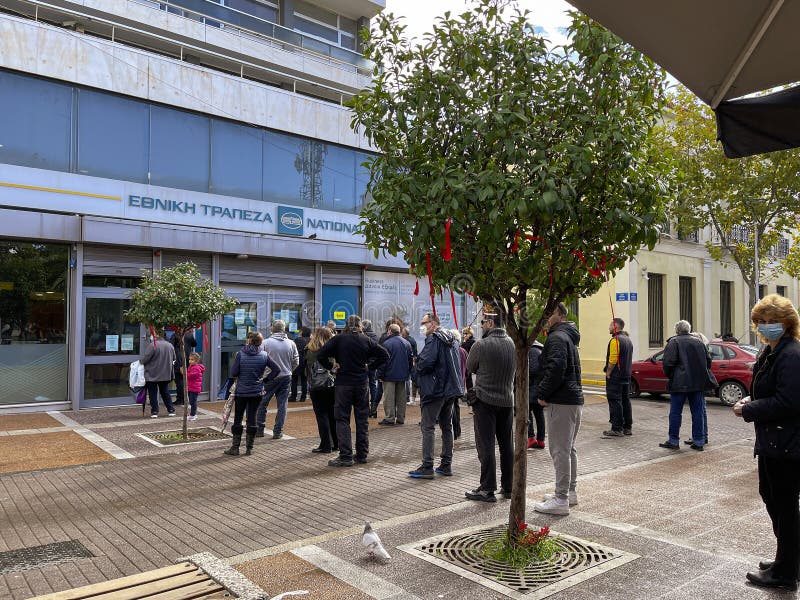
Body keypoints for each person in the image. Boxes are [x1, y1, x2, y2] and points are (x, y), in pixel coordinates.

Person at [734, 294, 800, 592]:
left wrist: (749, 409)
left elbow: (789, 401)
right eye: (762, 321)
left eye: (773, 321)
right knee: (772, 498)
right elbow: (768, 391)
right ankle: (786, 559)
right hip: (774, 441)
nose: (766, 325)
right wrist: (753, 399)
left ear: (787, 324)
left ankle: (785, 573)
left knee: (783, 505)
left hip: (786, 443)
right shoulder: (771, 351)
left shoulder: (791, 355)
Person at [317, 315, 389, 467]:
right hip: (362, 383)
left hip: (343, 383)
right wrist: (370, 367)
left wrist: (331, 367)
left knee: (342, 419)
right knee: (362, 420)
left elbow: (320, 354)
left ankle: (345, 456)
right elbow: (385, 355)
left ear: (347, 325)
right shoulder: (366, 340)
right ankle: (362, 454)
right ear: (360, 325)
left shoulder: (339, 339)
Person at [533, 302, 583, 515]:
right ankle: (568, 493)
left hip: (562, 401)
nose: (547, 317)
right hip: (572, 400)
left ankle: (561, 499)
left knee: (560, 450)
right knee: (568, 448)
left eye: (551, 313)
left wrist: (542, 394)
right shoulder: (568, 337)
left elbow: (555, 369)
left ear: (561, 315)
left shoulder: (556, 338)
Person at [464, 313, 515, 501]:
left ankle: (487, 488)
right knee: (506, 445)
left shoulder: (481, 345)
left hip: (485, 400)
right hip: (507, 400)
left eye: (483, 322)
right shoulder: (512, 344)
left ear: (491, 323)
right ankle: (508, 487)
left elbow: (470, 367)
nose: (481, 326)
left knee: (486, 446)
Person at [409, 313, 464, 479]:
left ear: (432, 323)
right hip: (449, 390)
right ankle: (446, 464)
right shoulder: (451, 338)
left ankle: (427, 466)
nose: (422, 326)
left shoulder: (434, 339)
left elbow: (425, 362)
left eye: (424, 323)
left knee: (428, 427)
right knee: (447, 427)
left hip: (435, 390)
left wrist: (415, 369)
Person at [658, 320, 716, 451]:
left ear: (677, 330)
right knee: (698, 412)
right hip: (697, 383)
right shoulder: (699, 342)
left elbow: (668, 363)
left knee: (675, 413)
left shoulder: (674, 342)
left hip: (679, 383)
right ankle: (699, 441)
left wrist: (671, 376)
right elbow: (708, 362)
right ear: (689, 329)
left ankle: (673, 440)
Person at [225, 331, 279, 456]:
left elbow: (234, 372)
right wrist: (265, 379)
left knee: (238, 418)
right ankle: (249, 448)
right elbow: (276, 369)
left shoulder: (240, 354)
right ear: (260, 341)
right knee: (252, 418)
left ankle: (235, 447)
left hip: (241, 392)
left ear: (248, 340)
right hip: (256, 391)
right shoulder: (264, 355)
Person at [256, 320, 299, 439]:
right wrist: (289, 370)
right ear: (283, 329)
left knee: (262, 403)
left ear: (272, 329)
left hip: (269, 377)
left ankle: (259, 429)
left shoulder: (265, 343)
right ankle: (278, 431)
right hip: (286, 376)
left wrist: (262, 374)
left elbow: (260, 360)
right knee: (282, 405)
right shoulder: (291, 343)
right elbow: (296, 361)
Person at [306, 326, 338, 454]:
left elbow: (308, 369)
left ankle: (325, 445)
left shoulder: (311, 350)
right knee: (332, 415)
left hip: (317, 386)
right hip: (332, 385)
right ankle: (336, 443)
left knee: (321, 415)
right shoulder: (334, 350)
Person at [602, 318, 634, 438]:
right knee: (625, 400)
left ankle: (617, 428)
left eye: (610, 325)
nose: (609, 327)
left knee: (615, 400)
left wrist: (608, 372)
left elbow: (613, 359)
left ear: (615, 326)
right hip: (626, 375)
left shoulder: (615, 340)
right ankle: (627, 427)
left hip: (616, 376)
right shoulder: (628, 340)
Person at [377, 323, 413, 426]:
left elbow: (383, 362)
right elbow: (410, 360)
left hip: (389, 375)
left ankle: (390, 418)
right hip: (402, 375)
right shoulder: (407, 343)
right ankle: (401, 418)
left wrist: (380, 375)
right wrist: (408, 372)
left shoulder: (387, 344)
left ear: (389, 331)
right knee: (401, 398)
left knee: (389, 397)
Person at [140, 329, 177, 418]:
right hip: (165, 373)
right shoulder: (170, 345)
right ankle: (171, 409)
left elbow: (145, 359)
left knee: (152, 393)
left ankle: (155, 411)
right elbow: (174, 358)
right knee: (165, 392)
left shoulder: (153, 345)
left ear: (156, 335)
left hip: (152, 373)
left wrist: (140, 362)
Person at [450, 328, 468, 440]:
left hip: (453, 384)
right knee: (456, 407)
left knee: (452, 408)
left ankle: (455, 431)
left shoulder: (452, 350)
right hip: (461, 383)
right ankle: (458, 430)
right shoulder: (463, 351)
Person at [171, 330, 197, 406]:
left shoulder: (175, 335)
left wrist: (179, 365)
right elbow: (194, 344)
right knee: (184, 380)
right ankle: (184, 398)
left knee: (179, 381)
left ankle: (180, 399)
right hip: (187, 359)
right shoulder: (189, 335)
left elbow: (172, 347)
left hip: (179, 360)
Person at [527, 340, 545, 449]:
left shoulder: (532, 351)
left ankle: (531, 437)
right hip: (539, 387)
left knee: (527, 411)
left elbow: (533, 370)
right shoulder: (540, 350)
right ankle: (541, 440)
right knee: (539, 414)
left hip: (533, 387)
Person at [362, 319, 381, 418]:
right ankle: (374, 409)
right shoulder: (376, 337)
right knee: (373, 385)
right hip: (373, 364)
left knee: (364, 386)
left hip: (364, 364)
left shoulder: (363, 337)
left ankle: (366, 409)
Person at [290, 326, 311, 402]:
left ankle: (293, 396)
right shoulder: (310, 340)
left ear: (302, 332)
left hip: (298, 362)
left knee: (294, 380)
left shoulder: (298, 340)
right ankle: (303, 397)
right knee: (304, 380)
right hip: (306, 363)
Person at [186, 352, 204, 421]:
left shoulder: (196, 368)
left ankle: (193, 415)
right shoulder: (191, 366)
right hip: (191, 387)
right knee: (191, 401)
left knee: (193, 402)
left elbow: (191, 376)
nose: (190, 361)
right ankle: (192, 414)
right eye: (189, 359)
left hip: (194, 388)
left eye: (192, 360)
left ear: (196, 361)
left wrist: (185, 373)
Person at [402, 327, 418, 405]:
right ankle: (409, 397)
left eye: (403, 332)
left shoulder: (406, 341)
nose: (401, 333)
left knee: (408, 380)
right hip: (412, 362)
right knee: (412, 380)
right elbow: (415, 352)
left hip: (408, 362)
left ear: (405, 333)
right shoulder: (412, 340)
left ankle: (407, 397)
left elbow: (412, 353)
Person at [461, 327, 475, 392]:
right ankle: (470, 392)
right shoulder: (471, 341)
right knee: (468, 378)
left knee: (467, 378)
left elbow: (463, 347)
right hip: (469, 362)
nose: (464, 335)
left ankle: (469, 393)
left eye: (465, 333)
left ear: (470, 334)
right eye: (463, 334)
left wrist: (464, 342)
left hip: (468, 362)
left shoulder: (470, 342)